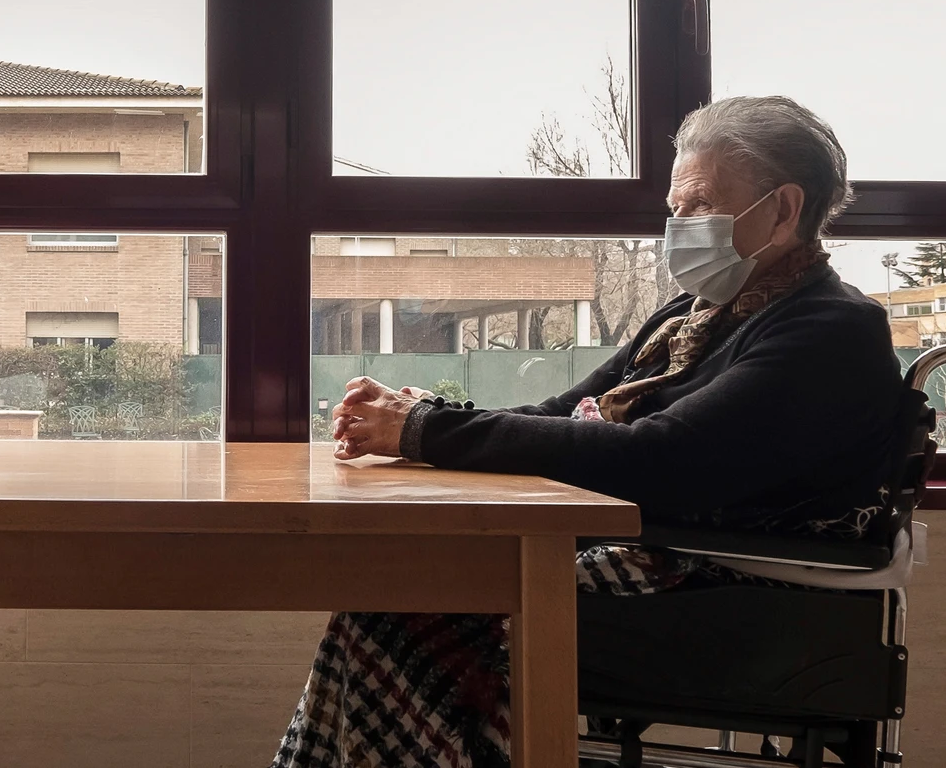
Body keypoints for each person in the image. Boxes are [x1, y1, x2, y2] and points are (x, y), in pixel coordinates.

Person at [274, 96, 911, 768]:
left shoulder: (830, 330)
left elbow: (659, 459)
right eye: (675, 210)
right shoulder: (691, 315)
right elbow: (565, 411)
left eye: (698, 206)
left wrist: (424, 431)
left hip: (732, 587)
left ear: (783, 209)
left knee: (401, 611)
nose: (679, 227)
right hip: (670, 560)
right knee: (392, 590)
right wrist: (429, 416)